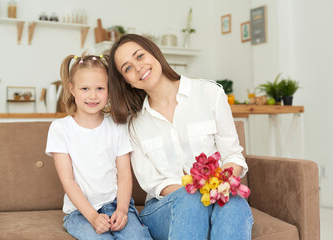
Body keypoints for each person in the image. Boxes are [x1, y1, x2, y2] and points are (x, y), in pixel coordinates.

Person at [107, 34, 254, 240]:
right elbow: (153, 183)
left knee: (234, 202)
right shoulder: (135, 125)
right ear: (128, 82)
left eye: (140, 56)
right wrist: (198, 193)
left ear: (155, 53)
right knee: (190, 199)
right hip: (164, 207)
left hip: (217, 191)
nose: (138, 67)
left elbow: (233, 157)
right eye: (128, 68)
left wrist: (216, 189)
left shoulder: (210, 93)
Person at [45, 54, 152, 240]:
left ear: (109, 90)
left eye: (100, 88)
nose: (93, 96)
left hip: (115, 205)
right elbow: (68, 180)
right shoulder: (60, 129)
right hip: (80, 212)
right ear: (72, 89)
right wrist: (93, 217)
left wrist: (122, 210)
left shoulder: (118, 126)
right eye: (85, 88)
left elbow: (124, 175)